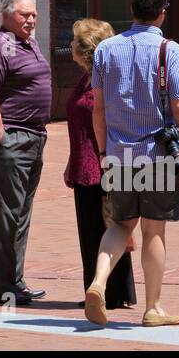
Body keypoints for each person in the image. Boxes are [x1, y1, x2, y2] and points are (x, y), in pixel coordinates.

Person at [85, 0, 179, 328]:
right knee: (154, 231)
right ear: (161, 13)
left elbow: (98, 109)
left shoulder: (105, 49)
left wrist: (104, 150)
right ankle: (153, 307)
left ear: (132, 11)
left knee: (120, 224)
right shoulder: (169, 50)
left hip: (119, 151)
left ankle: (98, 282)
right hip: (158, 153)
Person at [0, 0, 52, 306]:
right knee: (8, 214)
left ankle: (15, 281)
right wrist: (3, 142)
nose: (31, 20)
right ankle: (5, 287)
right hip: (12, 138)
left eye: (33, 15)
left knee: (20, 213)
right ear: (7, 15)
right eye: (24, 15)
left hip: (33, 137)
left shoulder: (28, 43)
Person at [64, 18, 136, 312]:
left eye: (74, 42)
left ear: (85, 50)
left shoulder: (102, 80)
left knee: (103, 229)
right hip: (85, 165)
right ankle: (107, 289)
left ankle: (109, 291)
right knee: (96, 230)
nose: (69, 46)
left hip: (101, 166)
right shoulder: (87, 77)